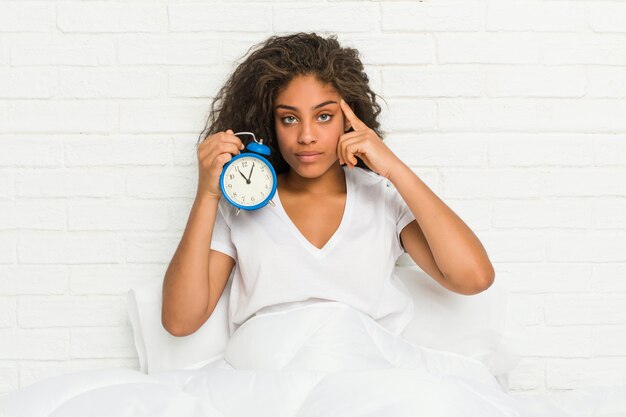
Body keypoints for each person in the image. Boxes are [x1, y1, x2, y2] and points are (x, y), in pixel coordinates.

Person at [161, 32, 495, 339]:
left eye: (323, 116)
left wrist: (393, 168)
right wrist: (207, 193)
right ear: (269, 123)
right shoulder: (240, 202)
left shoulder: (382, 197)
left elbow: (474, 278)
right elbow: (180, 321)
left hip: (362, 371)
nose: (306, 136)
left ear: (351, 120)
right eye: (289, 118)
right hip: (265, 374)